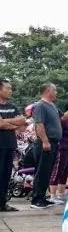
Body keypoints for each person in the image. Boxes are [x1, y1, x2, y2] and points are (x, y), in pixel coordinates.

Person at [31, 83, 64, 209]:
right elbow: (39, 124)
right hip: (46, 143)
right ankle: (36, 199)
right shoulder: (40, 106)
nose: (56, 93)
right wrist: (45, 141)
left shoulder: (53, 106)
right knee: (42, 171)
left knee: (47, 171)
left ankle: (42, 197)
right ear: (48, 91)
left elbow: (64, 118)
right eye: (55, 90)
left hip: (54, 143)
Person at [0, 79, 27, 212]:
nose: (10, 90)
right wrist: (12, 123)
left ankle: (2, 203)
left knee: (6, 175)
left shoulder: (13, 106)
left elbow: (22, 123)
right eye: (8, 88)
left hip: (10, 145)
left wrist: (6, 122)